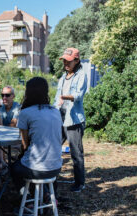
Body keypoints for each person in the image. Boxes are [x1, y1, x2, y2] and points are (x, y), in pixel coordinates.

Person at [10, 77, 62, 196]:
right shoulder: (55, 111)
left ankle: (27, 199)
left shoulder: (26, 113)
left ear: (28, 93)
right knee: (31, 163)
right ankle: (47, 195)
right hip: (56, 167)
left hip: (37, 169)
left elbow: (24, 144)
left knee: (14, 168)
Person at [53, 47, 87, 193]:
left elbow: (78, 95)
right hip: (60, 117)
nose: (65, 63)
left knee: (76, 153)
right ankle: (51, 177)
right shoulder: (62, 77)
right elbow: (56, 98)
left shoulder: (81, 75)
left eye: (68, 61)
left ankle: (80, 183)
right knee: (53, 147)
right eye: (64, 60)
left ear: (76, 60)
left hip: (74, 120)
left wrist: (64, 97)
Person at [0, 86, 21, 170]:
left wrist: (2, 128)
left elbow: (13, 125)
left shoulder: (17, 106)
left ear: (13, 96)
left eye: (7, 95)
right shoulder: (1, 107)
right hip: (3, 136)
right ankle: (2, 162)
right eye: (2, 95)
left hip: (15, 138)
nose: (4, 98)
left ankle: (5, 163)